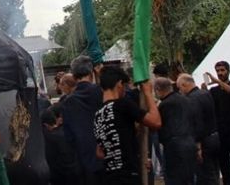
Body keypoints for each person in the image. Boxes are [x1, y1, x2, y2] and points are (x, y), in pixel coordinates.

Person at [93, 66, 161, 185]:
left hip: (110, 176)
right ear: (119, 84)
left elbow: (100, 152)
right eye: (124, 87)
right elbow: (156, 122)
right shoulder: (122, 105)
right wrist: (148, 94)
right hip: (128, 176)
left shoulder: (98, 114)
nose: (125, 91)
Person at [59, 55, 103, 185]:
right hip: (107, 159)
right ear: (91, 72)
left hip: (82, 163)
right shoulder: (101, 93)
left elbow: (69, 137)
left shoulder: (68, 102)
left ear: (73, 75)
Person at [176, 73, 219, 185]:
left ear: (184, 85)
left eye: (180, 87)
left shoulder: (191, 99)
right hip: (214, 136)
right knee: (214, 172)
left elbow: (197, 122)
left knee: (205, 175)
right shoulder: (205, 93)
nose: (180, 91)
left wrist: (197, 145)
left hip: (204, 141)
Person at [154, 76, 197, 185]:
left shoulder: (165, 104)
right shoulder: (186, 100)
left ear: (158, 89)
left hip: (174, 147)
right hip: (190, 143)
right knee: (189, 178)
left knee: (174, 179)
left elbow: (160, 126)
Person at [39, 105, 79, 185]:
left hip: (59, 177)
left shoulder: (48, 138)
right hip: (74, 173)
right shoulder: (65, 132)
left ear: (45, 125)